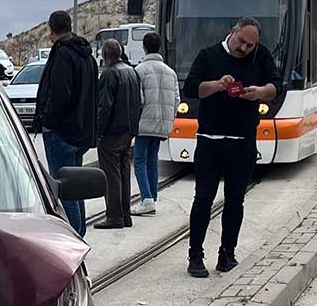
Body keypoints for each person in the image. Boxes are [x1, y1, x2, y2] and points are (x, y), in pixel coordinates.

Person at [181, 17, 279, 278]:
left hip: (243, 141)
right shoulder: (208, 55)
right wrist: (217, 85)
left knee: (236, 200)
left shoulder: (261, 56)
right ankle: (196, 256)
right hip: (210, 140)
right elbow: (192, 88)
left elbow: (275, 86)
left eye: (250, 45)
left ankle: (227, 253)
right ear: (232, 32)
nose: (244, 48)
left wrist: (259, 92)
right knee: (203, 199)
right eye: (241, 41)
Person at [32, 9, 98, 236]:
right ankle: (79, 232)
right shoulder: (86, 55)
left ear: (51, 30)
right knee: (76, 187)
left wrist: (47, 121)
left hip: (61, 132)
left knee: (64, 189)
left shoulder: (62, 54)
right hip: (80, 131)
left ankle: (73, 236)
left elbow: (60, 93)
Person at [93, 39, 141, 230]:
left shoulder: (110, 74)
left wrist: (99, 130)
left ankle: (114, 216)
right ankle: (125, 213)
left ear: (105, 56)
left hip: (112, 132)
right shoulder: (132, 71)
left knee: (111, 174)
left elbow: (105, 106)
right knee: (123, 171)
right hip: (128, 130)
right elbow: (139, 101)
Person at [131, 32, 179, 217]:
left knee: (139, 161)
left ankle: (146, 199)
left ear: (144, 47)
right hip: (162, 124)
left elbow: (139, 100)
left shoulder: (140, 70)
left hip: (144, 122)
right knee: (153, 159)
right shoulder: (170, 72)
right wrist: (169, 119)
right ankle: (152, 195)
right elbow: (176, 99)